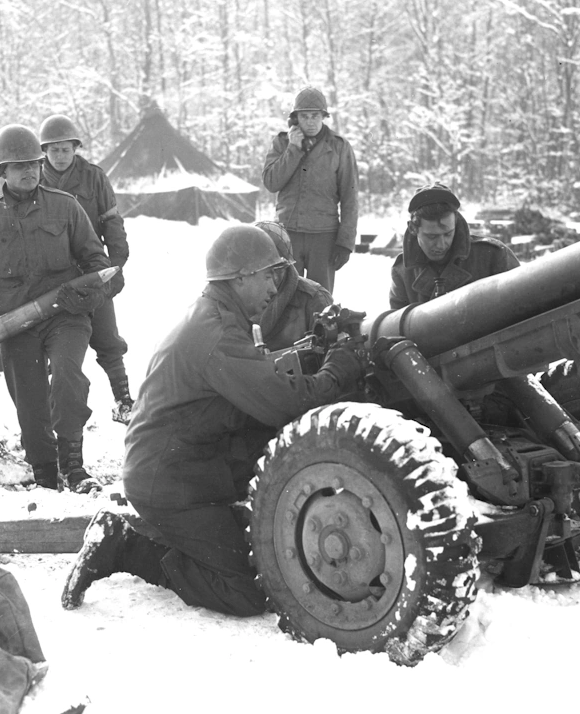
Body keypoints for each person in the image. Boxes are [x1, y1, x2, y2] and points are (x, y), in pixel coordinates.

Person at [61, 224, 363, 615]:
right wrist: (336, 372)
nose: (276, 287)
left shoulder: (215, 316)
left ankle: (197, 531)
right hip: (170, 483)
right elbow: (283, 403)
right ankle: (125, 546)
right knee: (248, 590)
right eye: (269, 275)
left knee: (267, 553)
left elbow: (261, 377)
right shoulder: (217, 332)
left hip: (188, 465)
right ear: (241, 278)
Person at [0, 124, 113, 493]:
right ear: (1, 172)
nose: (30, 171)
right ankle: (45, 473)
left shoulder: (66, 207)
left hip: (65, 315)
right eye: (19, 166)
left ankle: (74, 465)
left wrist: (91, 297)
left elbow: (100, 264)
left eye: (34, 163)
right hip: (14, 320)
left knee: (68, 376)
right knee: (29, 401)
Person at [38, 114, 134, 424]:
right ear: (44, 152)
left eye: (66, 149)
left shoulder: (94, 177)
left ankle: (123, 400)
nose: (61, 156)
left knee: (107, 340)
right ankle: (55, 406)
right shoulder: (35, 179)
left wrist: (112, 273)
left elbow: (113, 226)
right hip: (53, 277)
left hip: (92, 270)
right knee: (56, 342)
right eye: (54, 150)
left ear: (76, 148)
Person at [261, 87, 358, 294]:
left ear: (324, 116)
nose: (311, 122)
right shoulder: (281, 143)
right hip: (288, 234)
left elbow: (350, 197)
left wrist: (345, 243)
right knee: (285, 298)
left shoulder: (339, 147)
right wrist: (293, 149)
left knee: (320, 301)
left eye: (315, 116)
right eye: (305, 116)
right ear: (295, 119)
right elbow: (271, 182)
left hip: (324, 236)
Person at [390, 184, 519, 309]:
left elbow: (522, 308)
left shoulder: (493, 255)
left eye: (447, 234)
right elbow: (396, 326)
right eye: (431, 237)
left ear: (455, 225)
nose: (441, 245)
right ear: (413, 228)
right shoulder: (403, 272)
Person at [254, 220, 332, 351]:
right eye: (260, 271)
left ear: (286, 267)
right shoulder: (238, 297)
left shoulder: (314, 300)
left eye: (275, 270)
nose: (270, 279)